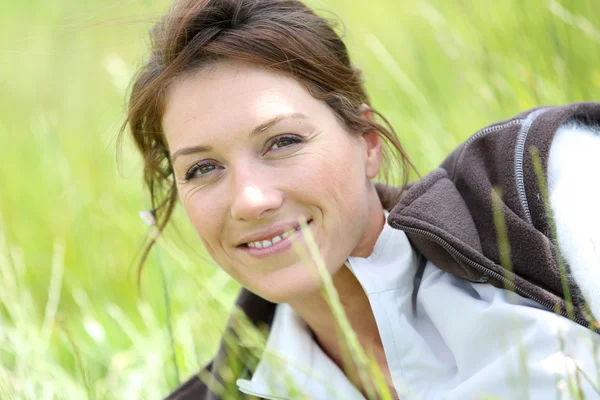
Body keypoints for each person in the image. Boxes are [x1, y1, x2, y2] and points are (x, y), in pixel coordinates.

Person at [121, 0, 600, 398]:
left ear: (367, 140)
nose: (250, 200)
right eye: (202, 169)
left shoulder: (539, 183)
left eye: (283, 141)